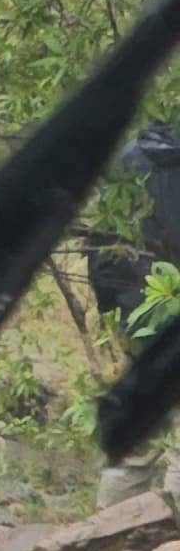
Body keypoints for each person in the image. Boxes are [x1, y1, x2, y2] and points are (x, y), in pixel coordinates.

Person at [84, 120, 180, 507]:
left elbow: (102, 247)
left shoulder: (127, 157)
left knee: (137, 438)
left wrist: (113, 308)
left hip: (138, 312)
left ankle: (104, 538)